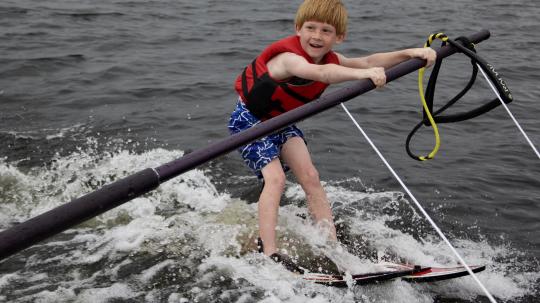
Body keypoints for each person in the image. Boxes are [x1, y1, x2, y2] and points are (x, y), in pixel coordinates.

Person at [228, 0, 436, 273]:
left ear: (339, 37)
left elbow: (369, 61)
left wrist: (411, 53)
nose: (316, 36)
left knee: (311, 177)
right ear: (298, 29)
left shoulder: (333, 59)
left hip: (281, 123)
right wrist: (365, 75)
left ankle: (331, 247)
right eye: (310, 28)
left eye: (326, 31)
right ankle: (269, 252)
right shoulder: (289, 58)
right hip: (250, 122)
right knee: (276, 179)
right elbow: (320, 73)